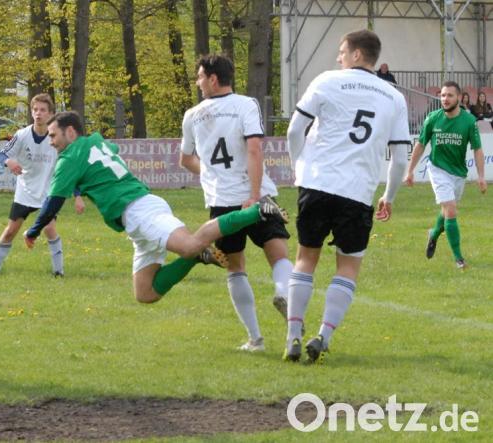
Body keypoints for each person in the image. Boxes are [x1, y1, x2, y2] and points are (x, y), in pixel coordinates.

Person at [24, 111, 289, 303]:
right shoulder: (95, 140)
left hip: (140, 211)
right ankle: (195, 258)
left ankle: (259, 209)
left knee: (191, 243)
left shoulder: (69, 157)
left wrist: (34, 230)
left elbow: (53, 202)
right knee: (146, 294)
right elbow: (107, 152)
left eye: (53, 135)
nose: (51, 141)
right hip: (136, 216)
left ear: (70, 132)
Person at [285, 29, 410, 364]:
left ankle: (293, 334)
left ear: (356, 55)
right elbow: (400, 157)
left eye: (342, 51)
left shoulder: (326, 80)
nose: (338, 57)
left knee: (305, 258)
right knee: (348, 266)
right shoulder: (394, 97)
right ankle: (323, 336)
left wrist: (299, 166)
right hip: (357, 193)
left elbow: (295, 129)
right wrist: (389, 196)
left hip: (317, 184)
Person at [180, 54, 293, 352]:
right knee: (278, 252)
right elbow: (254, 149)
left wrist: (212, 173)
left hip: (221, 201)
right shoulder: (246, 104)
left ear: (213, 79)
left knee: (235, 266)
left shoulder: (192, 114)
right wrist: (254, 197)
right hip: (255, 195)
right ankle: (284, 293)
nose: (198, 82)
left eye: (200, 76)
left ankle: (255, 339)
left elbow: (184, 159)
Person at [0, 93, 84, 277]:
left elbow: (70, 169)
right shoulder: (22, 135)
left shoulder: (58, 138)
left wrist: (78, 195)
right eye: (35, 110)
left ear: (51, 114)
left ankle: (58, 271)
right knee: (11, 231)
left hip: (48, 192)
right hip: (25, 191)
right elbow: (2, 155)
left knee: (49, 228)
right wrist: (9, 162)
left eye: (43, 110)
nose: (38, 114)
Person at [405, 81, 486, 269]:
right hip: (437, 169)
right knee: (450, 209)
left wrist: (481, 177)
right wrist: (410, 171)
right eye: (442, 95)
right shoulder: (432, 118)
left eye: (449, 95)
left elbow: (478, 149)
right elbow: (420, 145)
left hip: (458, 172)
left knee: (447, 210)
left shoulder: (469, 121)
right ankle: (459, 259)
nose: (445, 99)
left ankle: (433, 234)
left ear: (459, 97)